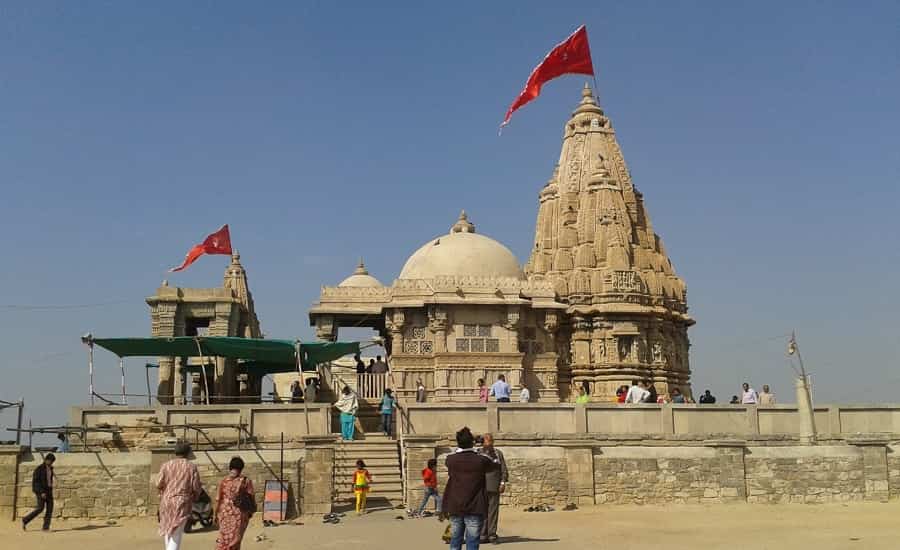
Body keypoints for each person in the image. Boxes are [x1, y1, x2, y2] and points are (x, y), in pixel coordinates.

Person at [442, 427, 495, 550]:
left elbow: (452, 459)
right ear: (472, 442)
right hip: (475, 506)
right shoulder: (481, 460)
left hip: (455, 505)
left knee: (455, 540)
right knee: (472, 541)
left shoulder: (451, 459)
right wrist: (483, 449)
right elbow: (494, 465)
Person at [157, 442, 201, 550]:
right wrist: (195, 497)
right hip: (181, 503)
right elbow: (195, 487)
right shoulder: (191, 467)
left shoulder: (166, 465)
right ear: (188, 453)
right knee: (176, 534)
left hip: (166, 501)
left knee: (168, 530)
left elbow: (158, 483)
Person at [215, 456, 255, 550]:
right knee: (236, 539)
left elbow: (218, 499)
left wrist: (215, 514)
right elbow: (251, 496)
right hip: (240, 514)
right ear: (241, 468)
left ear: (230, 467)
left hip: (224, 513)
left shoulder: (224, 481)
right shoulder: (245, 481)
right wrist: (251, 511)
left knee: (224, 538)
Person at [478, 433, 508, 545]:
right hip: (481, 487)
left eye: (491, 440)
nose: (490, 442)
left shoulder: (498, 453)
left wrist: (503, 482)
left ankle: (492, 535)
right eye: (487, 440)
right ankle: (483, 534)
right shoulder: (478, 453)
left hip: (494, 486)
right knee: (482, 511)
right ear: (483, 442)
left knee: (493, 512)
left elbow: (503, 469)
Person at [22, 453, 56, 532]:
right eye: (50, 461)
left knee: (50, 509)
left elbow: (49, 481)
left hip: (49, 491)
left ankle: (45, 527)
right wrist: (41, 492)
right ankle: (25, 520)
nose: (51, 463)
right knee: (40, 508)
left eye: (52, 462)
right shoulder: (39, 469)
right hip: (41, 491)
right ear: (46, 460)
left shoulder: (50, 469)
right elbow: (36, 483)